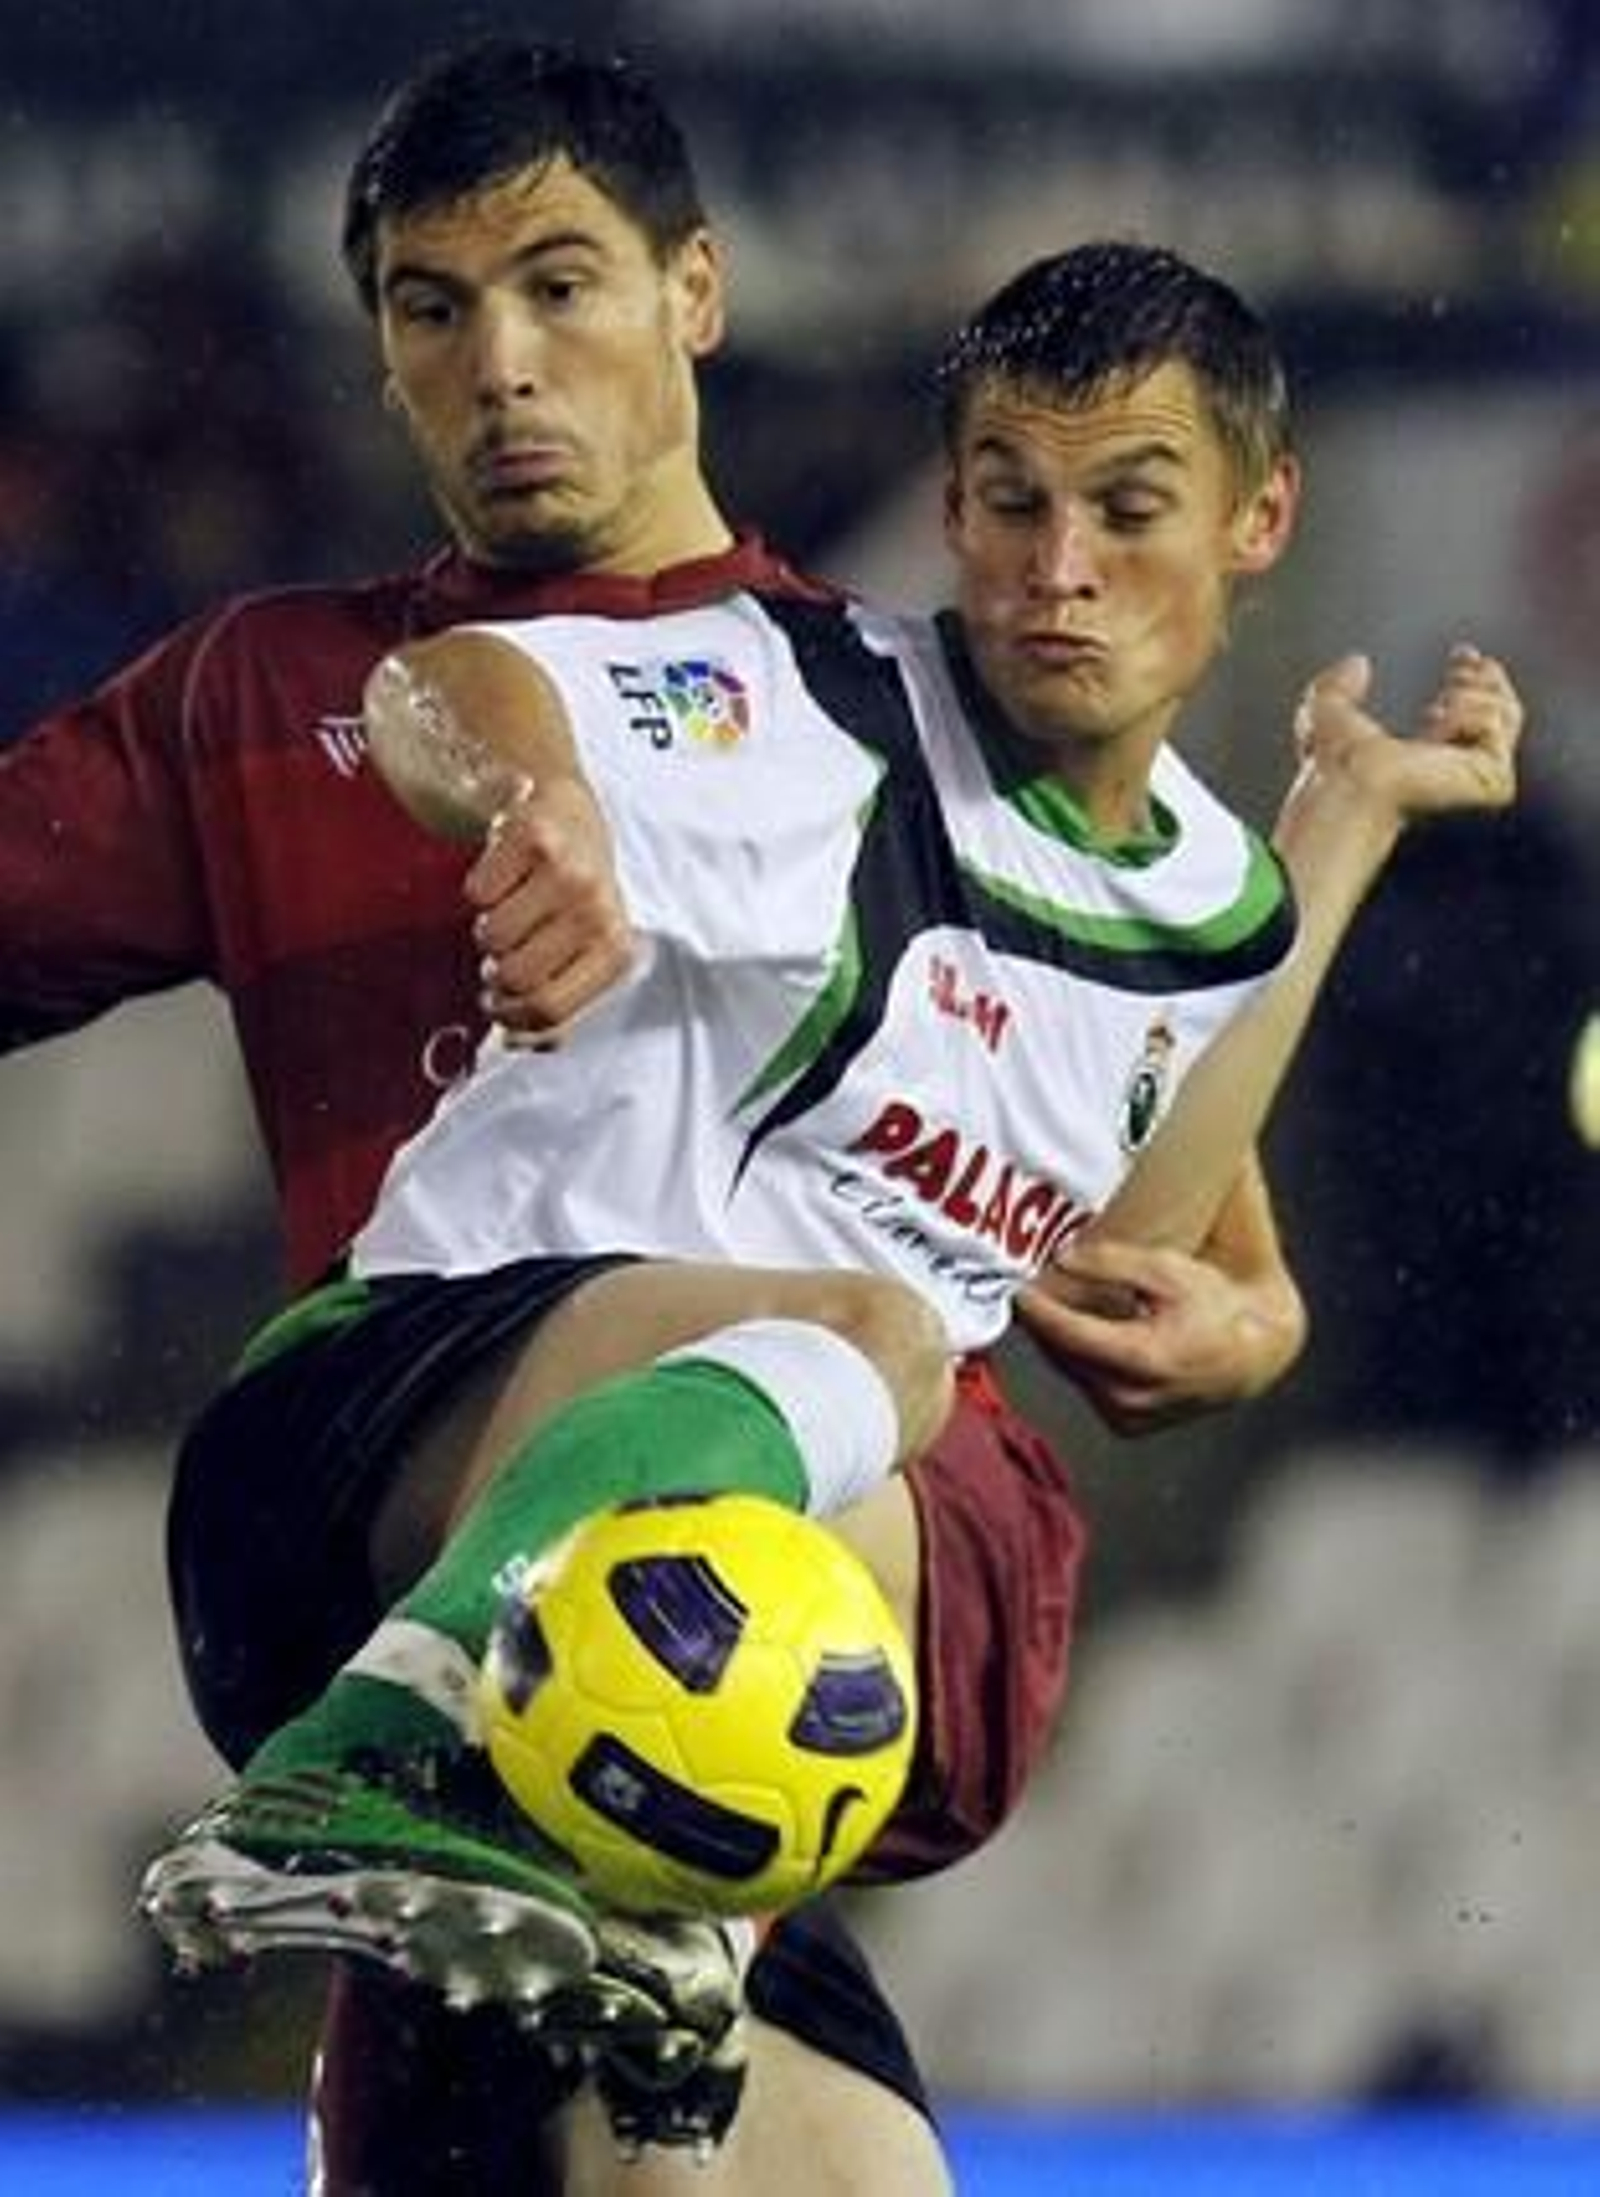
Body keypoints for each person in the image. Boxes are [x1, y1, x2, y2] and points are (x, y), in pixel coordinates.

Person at [0, 38, 1310, 2196]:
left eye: (561, 286)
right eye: (433, 309)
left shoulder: (901, 697)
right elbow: (459, 705)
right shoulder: (275, 697)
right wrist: (534, 813)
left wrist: (1244, 1324)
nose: (503, 365)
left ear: (694, 292)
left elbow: (1196, 1204)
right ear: (380, 352)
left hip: (723, 1675)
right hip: (433, 1523)